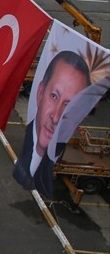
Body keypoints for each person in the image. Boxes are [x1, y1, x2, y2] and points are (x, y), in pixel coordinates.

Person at [13, 50, 94, 198]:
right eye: (54, 96)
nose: (56, 117)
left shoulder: (54, 159)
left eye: (69, 107)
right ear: (40, 93)